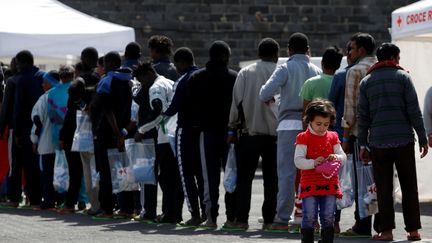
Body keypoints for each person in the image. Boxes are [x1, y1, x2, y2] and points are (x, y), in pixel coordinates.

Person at [358, 43, 427, 241]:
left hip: (379, 142)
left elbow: (364, 117)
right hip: (404, 140)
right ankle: (413, 230)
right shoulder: (403, 77)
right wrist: (422, 138)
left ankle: (386, 231)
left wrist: (363, 144)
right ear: (395, 58)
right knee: (408, 185)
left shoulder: (367, 81)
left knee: (384, 187)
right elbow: (414, 111)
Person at [259, 32, 322, 230]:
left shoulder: (284, 68)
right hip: (312, 127)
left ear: (289, 50)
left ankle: (282, 217)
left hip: (288, 125)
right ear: (308, 50)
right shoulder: (316, 70)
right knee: (310, 172)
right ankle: (308, 216)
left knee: (286, 173)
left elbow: (264, 93)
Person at [224, 38, 280, 230]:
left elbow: (236, 103)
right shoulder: (281, 72)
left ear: (259, 53)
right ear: (276, 54)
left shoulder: (246, 73)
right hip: (276, 137)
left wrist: (232, 127)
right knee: (272, 180)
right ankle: (269, 220)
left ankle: (241, 220)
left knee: (244, 179)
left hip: (249, 134)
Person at [186, 40, 237, 228]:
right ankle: (231, 217)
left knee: (209, 177)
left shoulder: (196, 78)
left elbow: (189, 105)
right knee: (231, 174)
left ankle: (211, 218)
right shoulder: (234, 77)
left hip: (206, 133)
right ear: (225, 56)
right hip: (230, 133)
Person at [133, 62, 184, 224]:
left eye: (142, 80)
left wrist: (142, 130)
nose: (142, 85)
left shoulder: (155, 88)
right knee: (175, 178)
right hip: (176, 134)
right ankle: (174, 213)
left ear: (149, 73)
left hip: (164, 136)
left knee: (166, 178)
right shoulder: (169, 82)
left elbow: (158, 112)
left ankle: (168, 214)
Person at [340, 32, 379, 237]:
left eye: (351, 48)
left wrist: (346, 138)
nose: (349, 52)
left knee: (362, 182)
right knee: (379, 181)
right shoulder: (380, 67)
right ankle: (381, 225)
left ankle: (362, 224)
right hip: (381, 134)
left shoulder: (355, 71)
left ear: (361, 50)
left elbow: (350, 110)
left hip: (360, 135)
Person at [294, 99, 346, 243]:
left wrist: (336, 156)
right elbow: (298, 161)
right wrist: (313, 163)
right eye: (318, 124)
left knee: (329, 215)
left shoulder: (333, 136)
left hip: (329, 184)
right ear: (309, 120)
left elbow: (343, 157)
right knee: (309, 215)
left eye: (326, 124)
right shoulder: (303, 138)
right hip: (310, 184)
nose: (322, 127)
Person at [90, 51, 132, 219]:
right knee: (124, 170)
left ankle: (107, 209)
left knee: (106, 171)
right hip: (124, 131)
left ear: (108, 63)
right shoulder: (128, 80)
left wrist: (116, 133)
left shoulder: (106, 81)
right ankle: (127, 209)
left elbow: (107, 110)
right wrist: (122, 133)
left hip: (107, 133)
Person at [164, 47, 203, 226]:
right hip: (203, 130)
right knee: (202, 173)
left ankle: (194, 213)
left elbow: (173, 107)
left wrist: (162, 114)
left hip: (185, 130)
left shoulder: (183, 79)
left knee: (186, 174)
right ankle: (206, 211)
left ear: (181, 63)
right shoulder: (203, 75)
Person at [7, 50, 44, 207]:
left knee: (20, 164)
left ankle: (17, 198)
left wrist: (16, 131)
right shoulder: (42, 76)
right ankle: (37, 198)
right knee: (38, 164)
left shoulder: (21, 79)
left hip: (24, 128)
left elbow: (18, 108)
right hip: (42, 127)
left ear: (22, 63)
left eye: (17, 63)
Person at [327, 42, 355, 234]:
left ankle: (334, 222)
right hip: (361, 134)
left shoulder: (340, 76)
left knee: (334, 179)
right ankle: (362, 221)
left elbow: (330, 106)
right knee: (362, 178)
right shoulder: (369, 72)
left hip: (338, 135)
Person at [30, 70, 60, 210]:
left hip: (47, 142)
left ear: (50, 83)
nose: (42, 85)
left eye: (45, 82)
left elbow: (37, 121)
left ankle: (48, 202)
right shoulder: (64, 95)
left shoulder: (44, 98)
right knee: (62, 171)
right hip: (63, 143)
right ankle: (63, 201)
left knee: (48, 173)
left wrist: (35, 140)